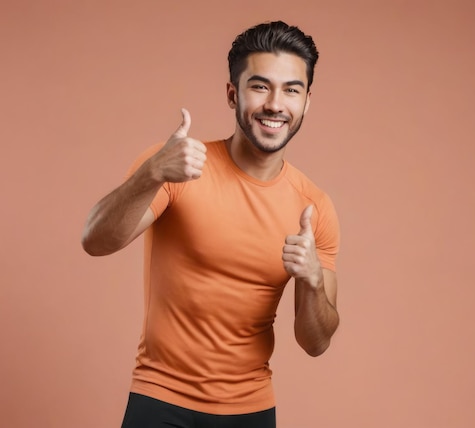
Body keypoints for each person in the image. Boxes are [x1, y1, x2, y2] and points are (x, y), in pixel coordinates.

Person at [82, 20, 340, 428]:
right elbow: (95, 241)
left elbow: (316, 342)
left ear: (307, 101)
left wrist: (311, 281)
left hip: (251, 410)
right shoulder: (178, 165)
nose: (275, 103)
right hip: (160, 397)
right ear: (232, 93)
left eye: (292, 89)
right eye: (260, 86)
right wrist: (151, 174)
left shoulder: (314, 207)